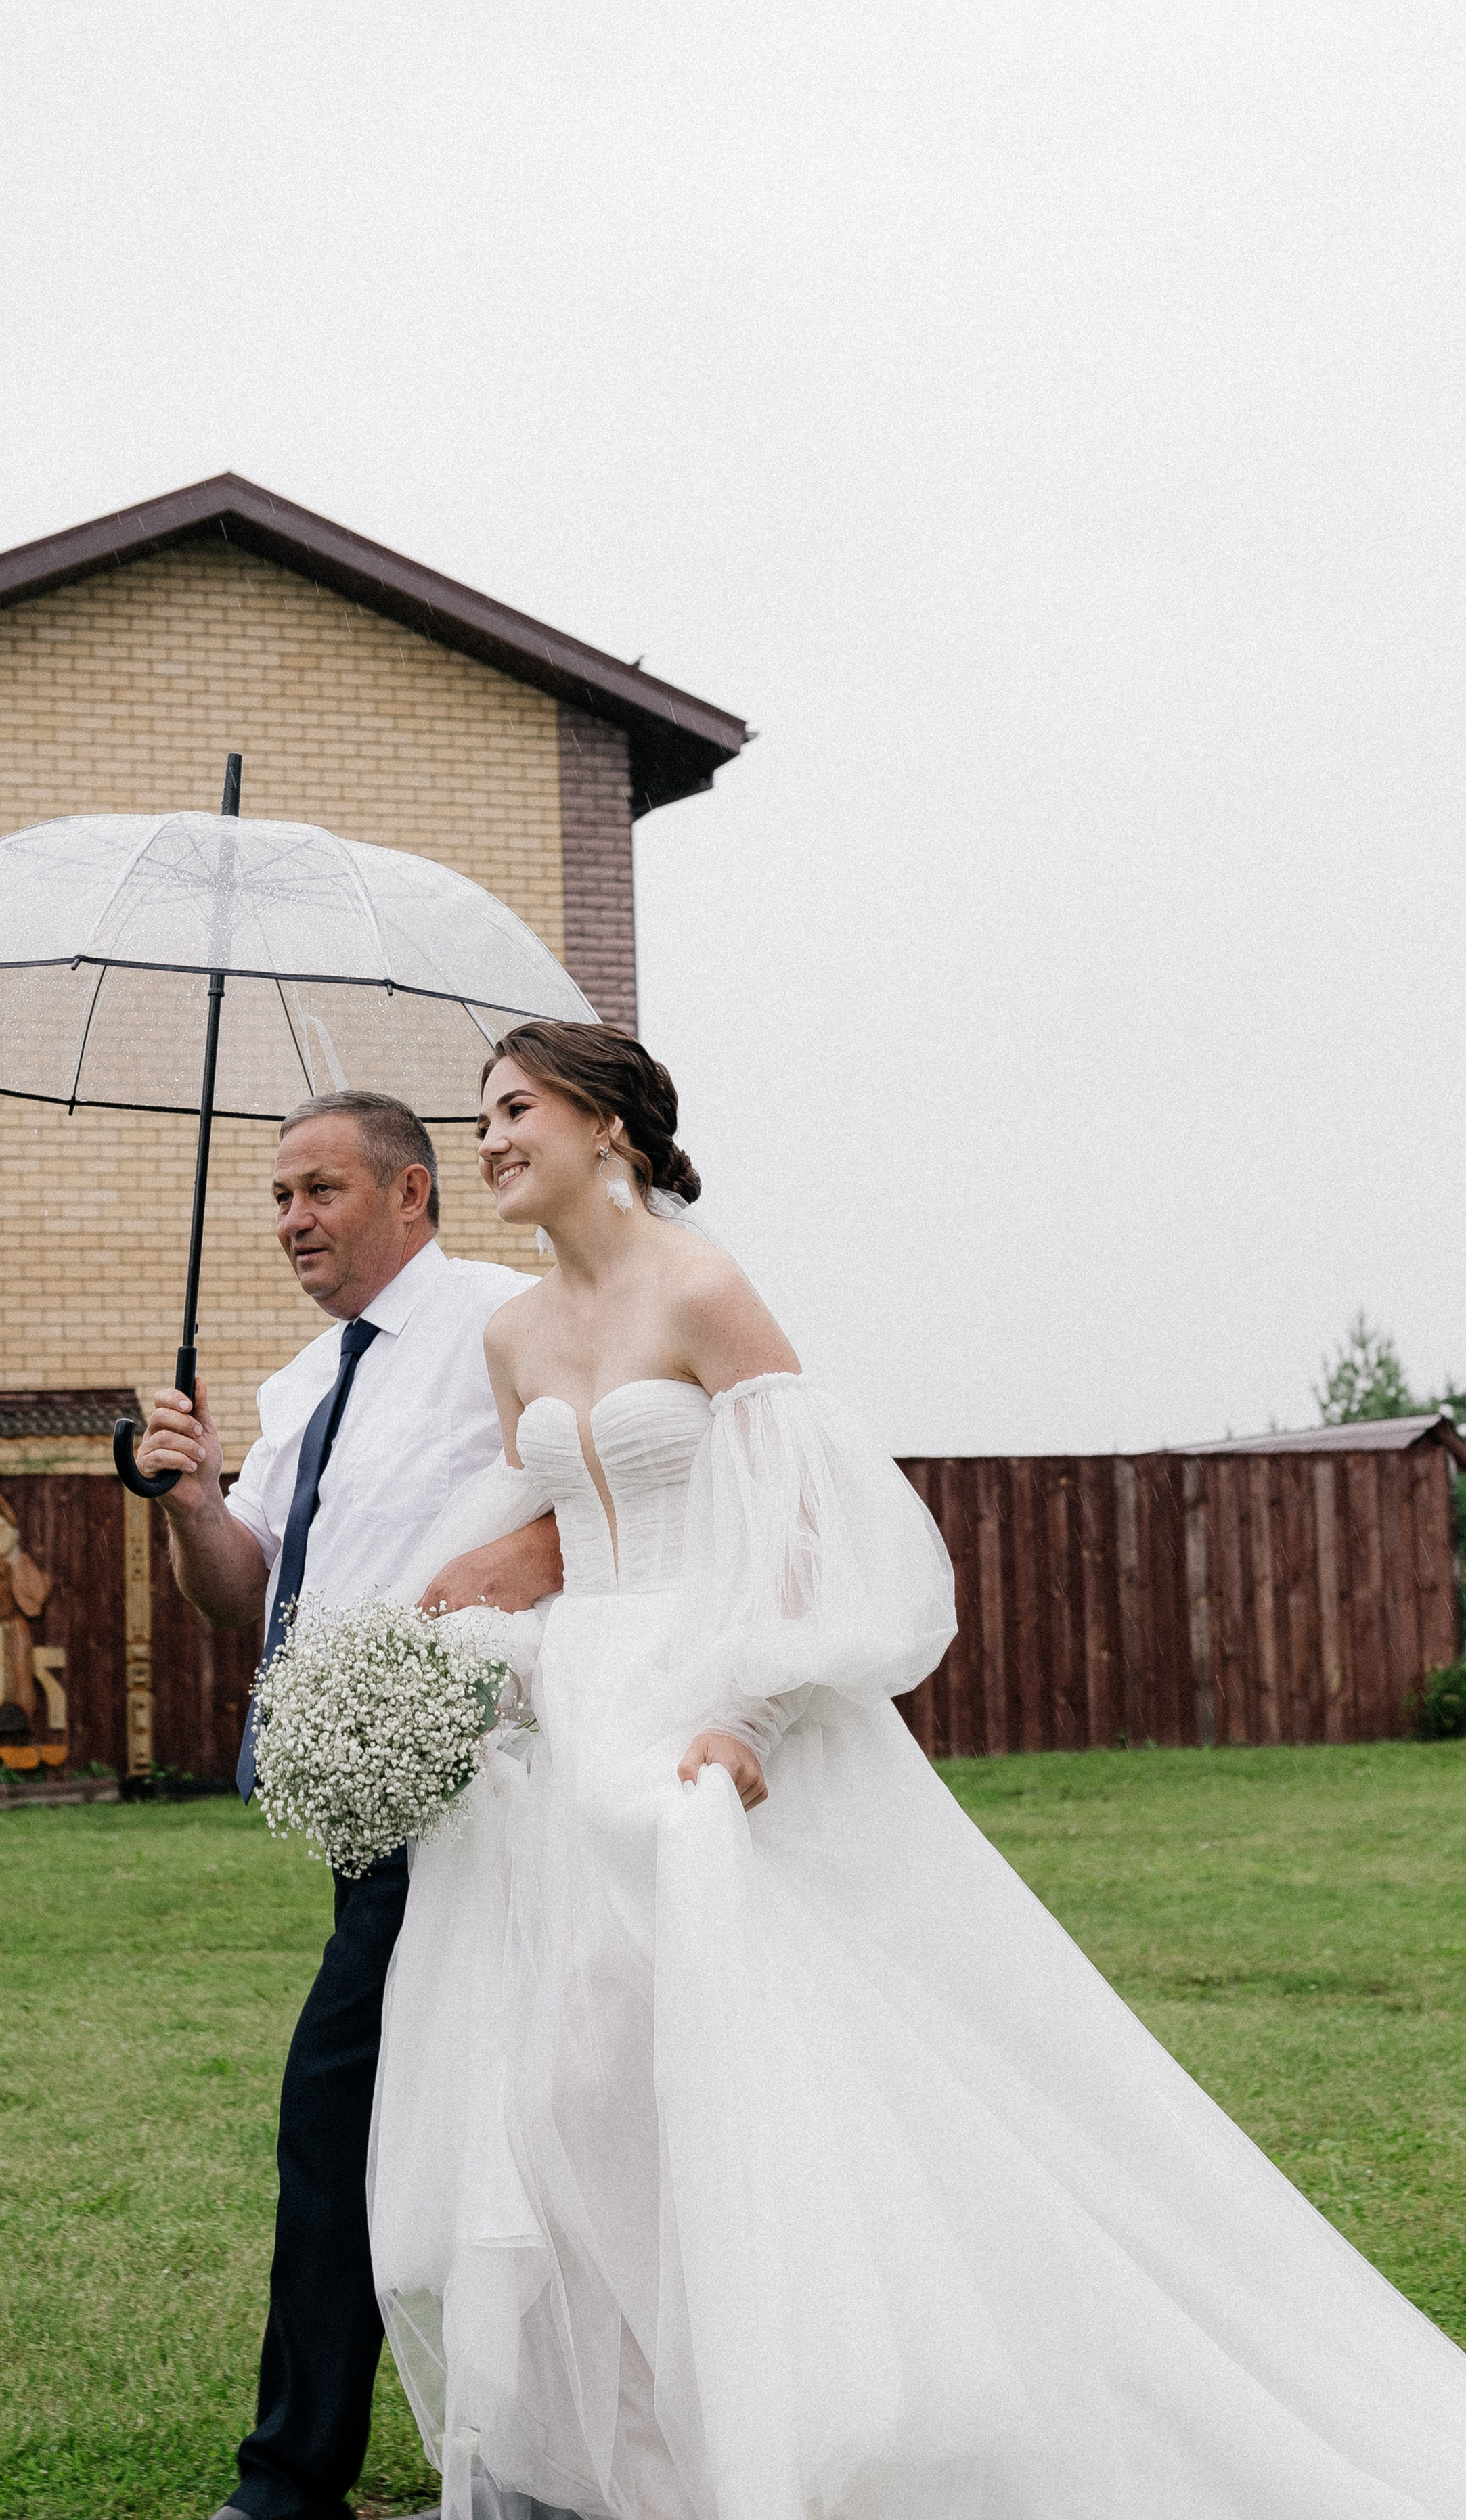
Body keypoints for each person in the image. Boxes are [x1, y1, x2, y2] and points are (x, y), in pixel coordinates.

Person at [370, 1021, 1466, 2520]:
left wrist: (748, 1718)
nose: (487, 1140)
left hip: (712, 1706)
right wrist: (447, 1651)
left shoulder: (701, 1288)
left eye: (512, 1110)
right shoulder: (510, 1336)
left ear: (607, 1125)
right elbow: (550, 1537)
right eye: (478, 1117)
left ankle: (843, 2419)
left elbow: (821, 1524)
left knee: (764, 2074)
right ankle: (649, 2456)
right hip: (577, 1719)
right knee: (571, 2097)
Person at [135, 1090, 563, 2520]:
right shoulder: (303, 1383)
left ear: (412, 1195)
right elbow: (246, 1599)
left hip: (495, 1797)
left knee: (359, 2118)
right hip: (364, 1810)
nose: (291, 1220)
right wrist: (195, 1502)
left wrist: (530, 1555)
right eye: (275, 1197)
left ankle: (298, 2478)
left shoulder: (503, 1316)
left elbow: (614, 1473)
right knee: (391, 2124)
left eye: (319, 1189)